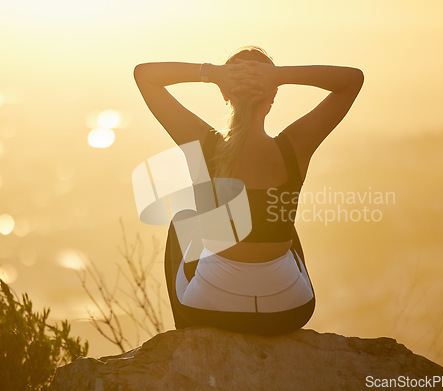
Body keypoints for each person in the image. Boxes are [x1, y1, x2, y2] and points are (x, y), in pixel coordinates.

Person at [134, 45, 363, 336]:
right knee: (285, 228)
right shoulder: (294, 148)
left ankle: (187, 339)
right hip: (289, 311)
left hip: (208, 309)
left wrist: (213, 73)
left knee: (183, 219)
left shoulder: (204, 145)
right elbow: (352, 80)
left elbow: (144, 75)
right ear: (272, 97)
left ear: (225, 96)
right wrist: (277, 75)